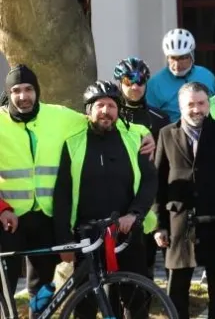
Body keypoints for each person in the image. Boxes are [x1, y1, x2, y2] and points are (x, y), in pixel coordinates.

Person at [0, 65, 155, 313]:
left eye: (29, 89)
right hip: (10, 221)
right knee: (6, 289)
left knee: (42, 287)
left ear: (37, 91)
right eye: (16, 90)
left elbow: (103, 119)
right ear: (8, 93)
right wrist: (2, 209)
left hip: (53, 220)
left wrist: (145, 132)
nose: (23, 96)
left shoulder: (59, 116)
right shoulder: (2, 123)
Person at [53, 80, 158, 316]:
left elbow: (150, 181)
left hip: (126, 232)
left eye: (111, 105)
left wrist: (134, 213)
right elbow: (63, 193)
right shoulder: (73, 142)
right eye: (100, 105)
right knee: (86, 303)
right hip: (86, 235)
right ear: (88, 110)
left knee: (135, 300)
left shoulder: (135, 137)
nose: (106, 111)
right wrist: (64, 240)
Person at [153, 82, 215, 319]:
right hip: (180, 222)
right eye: (190, 104)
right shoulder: (167, 134)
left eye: (201, 103)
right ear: (180, 107)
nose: (196, 109)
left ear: (208, 104)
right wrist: (160, 225)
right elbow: (159, 183)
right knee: (177, 288)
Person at [113, 57, 170, 279]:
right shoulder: (109, 116)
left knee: (144, 270)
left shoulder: (159, 118)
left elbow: (166, 166)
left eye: (140, 81)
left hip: (149, 201)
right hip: (116, 200)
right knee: (114, 270)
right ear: (119, 82)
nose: (135, 87)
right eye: (129, 81)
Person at [146, 28, 215, 122]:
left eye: (182, 58)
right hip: (171, 133)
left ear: (191, 56)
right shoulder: (154, 83)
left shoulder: (207, 76)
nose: (177, 64)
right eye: (173, 58)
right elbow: (150, 116)